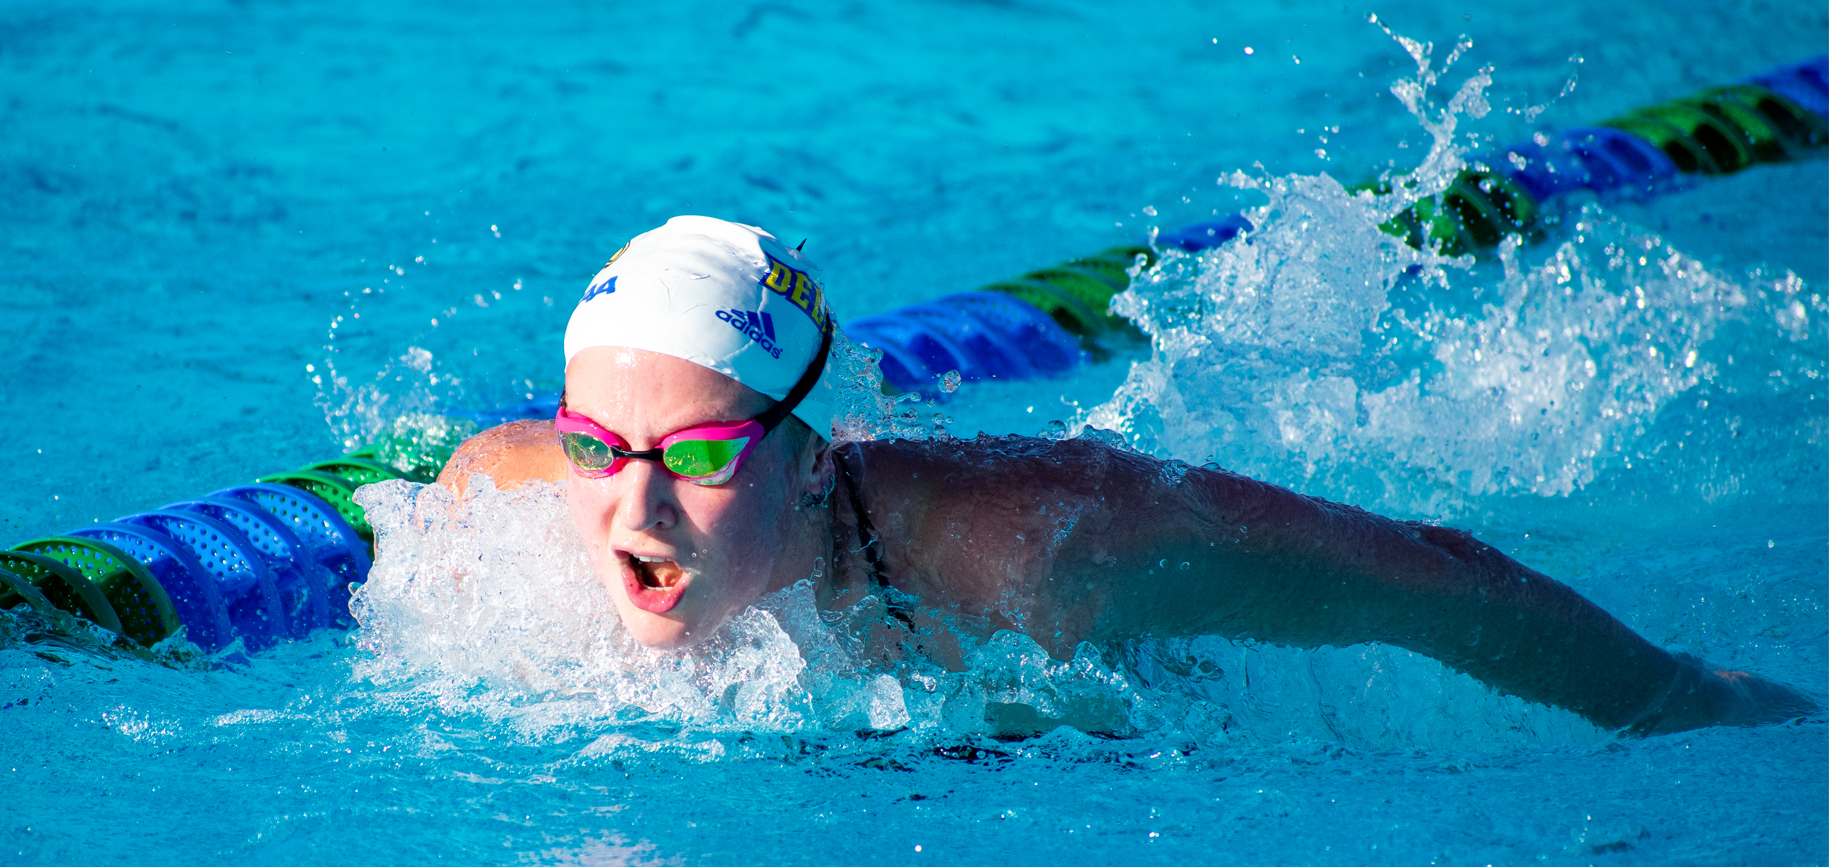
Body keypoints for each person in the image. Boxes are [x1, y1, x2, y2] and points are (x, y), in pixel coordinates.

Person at [439, 215, 1815, 736]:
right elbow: (453, 480)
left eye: (697, 453)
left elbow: (1424, 580)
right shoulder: (523, 493)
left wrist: (1678, 696)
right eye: (597, 450)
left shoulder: (1038, 551)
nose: (633, 503)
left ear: (810, 460)